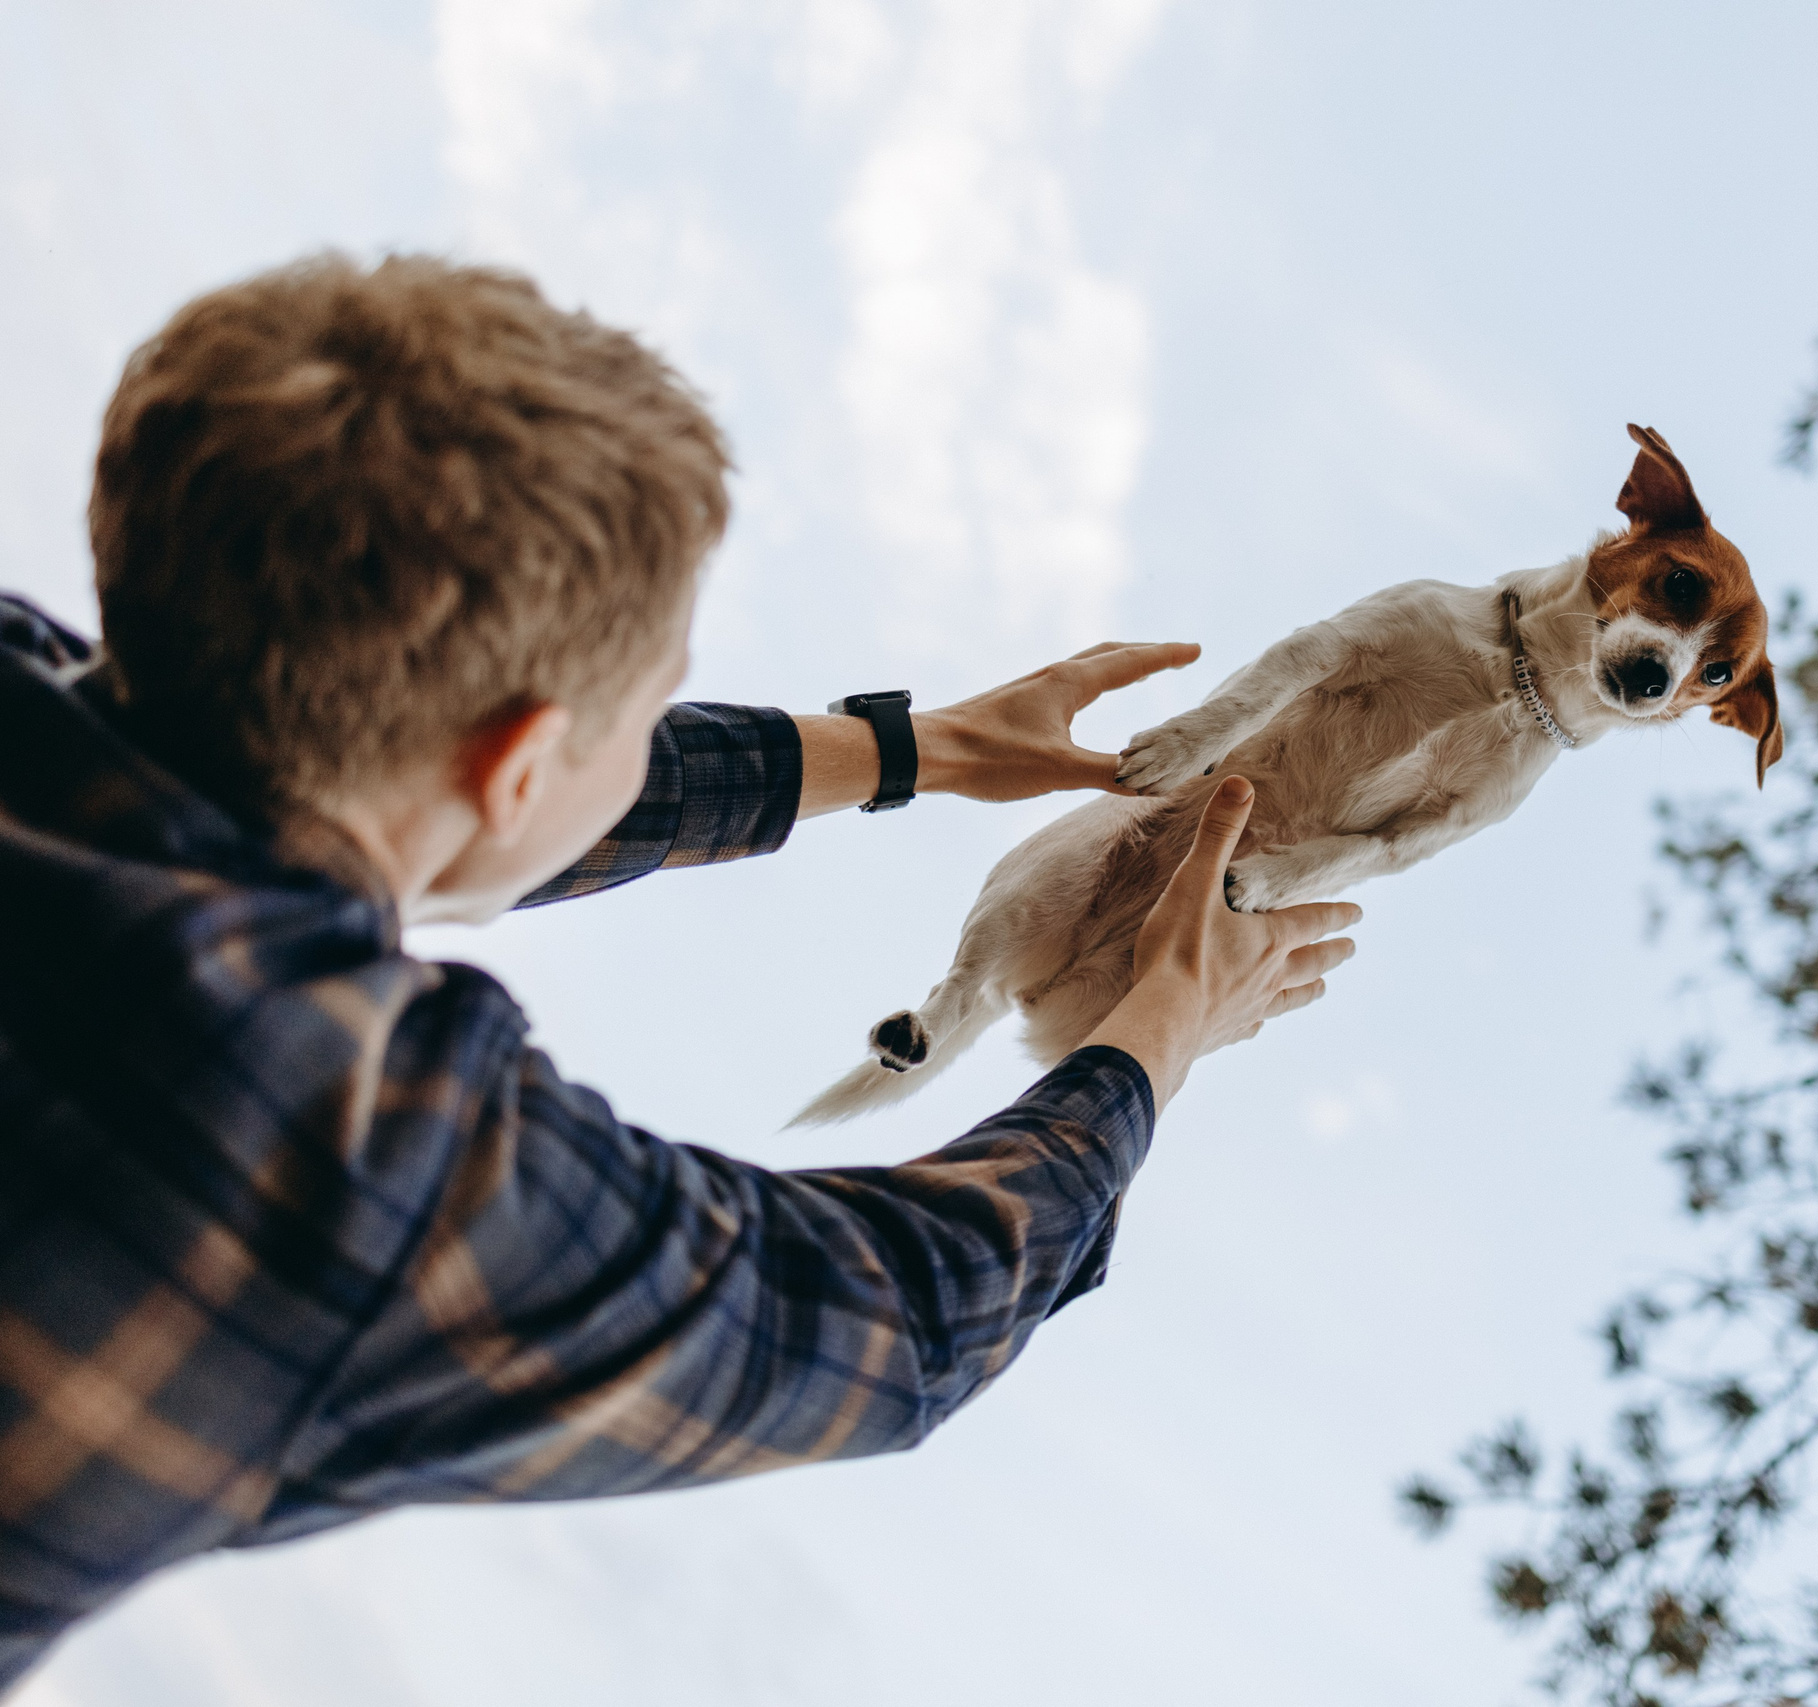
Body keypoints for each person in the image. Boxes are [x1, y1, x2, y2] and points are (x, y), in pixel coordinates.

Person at [0, 253, 1360, 1686]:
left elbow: (391, 760)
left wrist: (924, 749)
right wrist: (1163, 1022)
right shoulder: (366, 1163)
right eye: (646, 704)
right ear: (522, 763)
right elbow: (896, 1309)